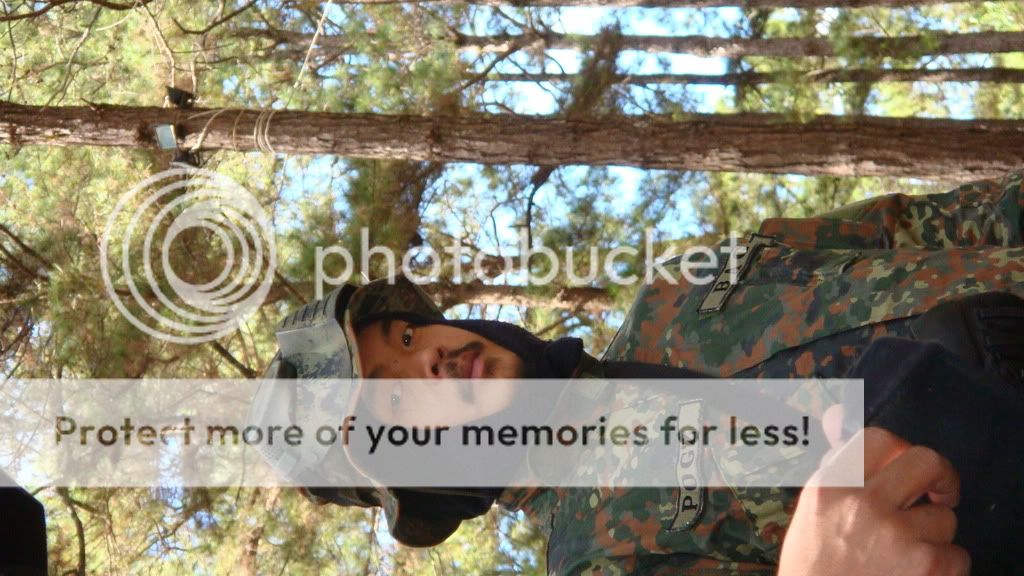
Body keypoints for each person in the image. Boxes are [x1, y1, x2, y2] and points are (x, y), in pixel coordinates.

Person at [252, 170, 1024, 574]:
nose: (430, 354)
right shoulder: (601, 559)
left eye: (408, 331)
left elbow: (914, 226)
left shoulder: (676, 289)